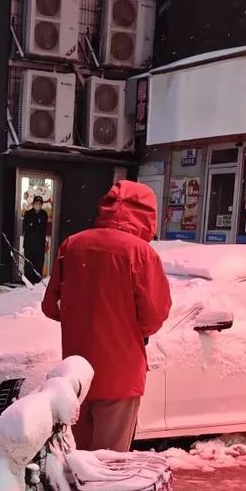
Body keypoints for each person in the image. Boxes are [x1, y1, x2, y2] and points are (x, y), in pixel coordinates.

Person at [41, 179, 171, 452]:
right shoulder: (141, 253)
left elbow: (50, 307)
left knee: (75, 459)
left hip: (76, 372)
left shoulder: (72, 245)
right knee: (109, 465)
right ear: (148, 215)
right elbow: (154, 315)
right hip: (121, 374)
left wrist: (83, 315)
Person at [21, 193, 50, 283]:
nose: (38, 205)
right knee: (29, 262)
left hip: (39, 244)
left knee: (39, 262)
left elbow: (42, 227)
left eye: (39, 204)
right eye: (36, 203)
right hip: (29, 243)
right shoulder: (28, 214)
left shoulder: (44, 214)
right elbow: (27, 227)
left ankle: (37, 280)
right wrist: (34, 225)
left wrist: (34, 225)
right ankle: (28, 280)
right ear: (33, 204)